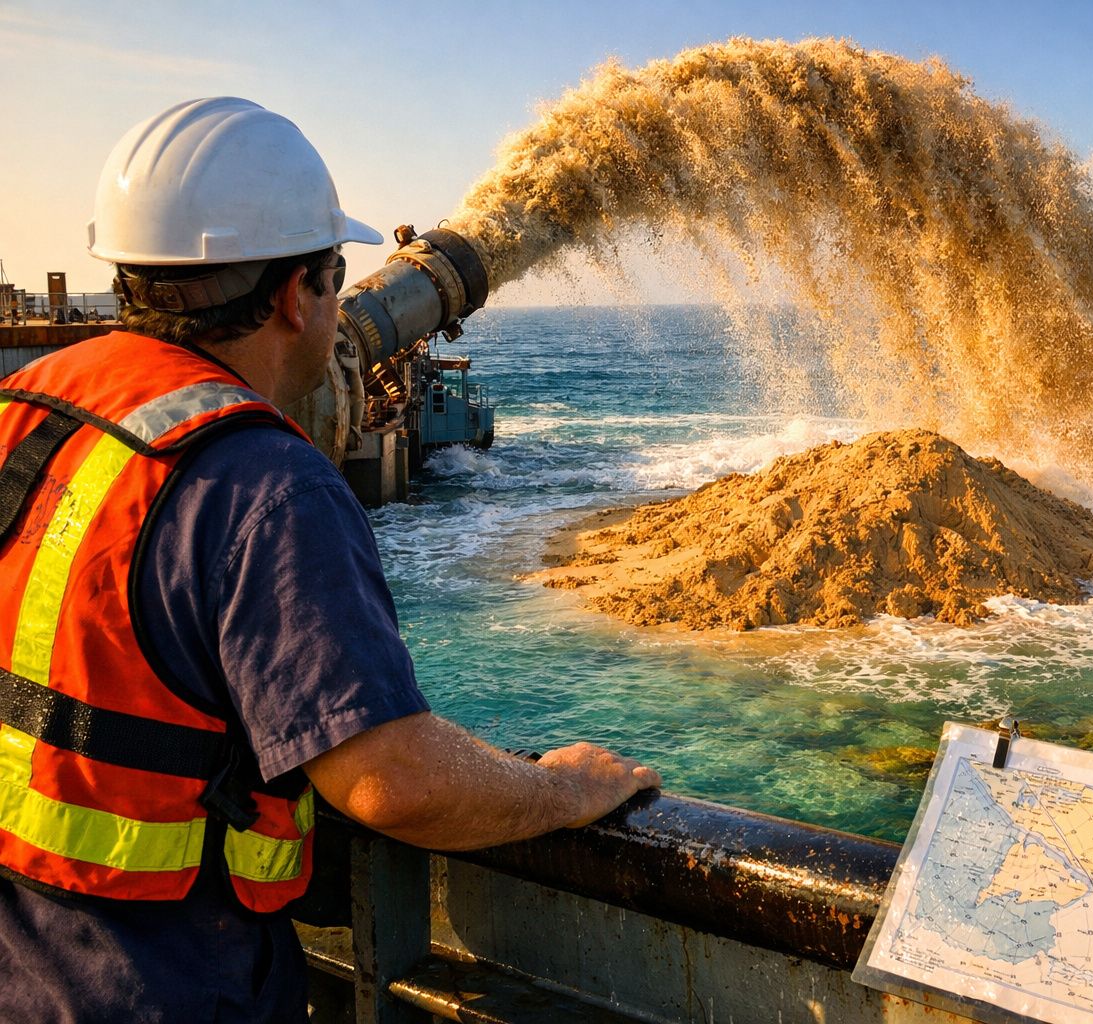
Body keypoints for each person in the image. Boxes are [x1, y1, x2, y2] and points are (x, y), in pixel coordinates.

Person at [0, 96, 661, 1022]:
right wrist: (563, 787)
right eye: (334, 273)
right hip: (168, 980)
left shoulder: (27, 409)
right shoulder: (265, 484)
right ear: (293, 296)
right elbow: (391, 782)